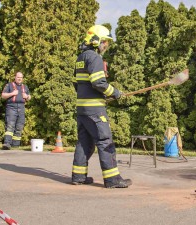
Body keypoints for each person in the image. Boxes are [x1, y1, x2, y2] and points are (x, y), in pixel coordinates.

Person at [71, 25, 132, 188]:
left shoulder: (80, 58)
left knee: (84, 142)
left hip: (82, 109)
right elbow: (98, 82)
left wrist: (101, 95)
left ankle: (78, 176)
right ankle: (112, 179)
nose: (106, 45)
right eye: (105, 42)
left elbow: (77, 84)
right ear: (97, 41)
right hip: (95, 110)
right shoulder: (95, 58)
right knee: (105, 141)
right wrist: (115, 93)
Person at [1, 72, 31, 150]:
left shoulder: (25, 87)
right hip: (11, 107)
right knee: (10, 125)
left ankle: (15, 145)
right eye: (18, 77)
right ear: (15, 77)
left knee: (19, 126)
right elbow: (3, 95)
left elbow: (29, 96)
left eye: (21, 77)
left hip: (21, 108)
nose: (19, 79)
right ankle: (7, 144)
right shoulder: (9, 85)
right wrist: (12, 93)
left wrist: (27, 96)